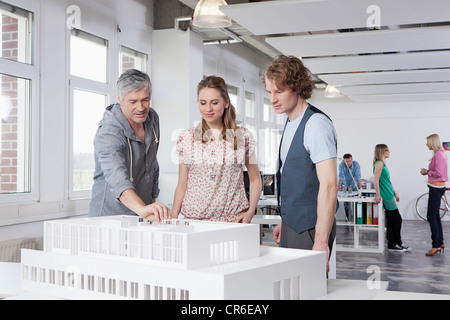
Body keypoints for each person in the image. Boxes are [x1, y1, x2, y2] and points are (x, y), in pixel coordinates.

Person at [265, 55, 337, 271]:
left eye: (279, 91)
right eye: (269, 92)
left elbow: (329, 185)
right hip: (293, 225)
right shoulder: (290, 121)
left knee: (307, 288)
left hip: (311, 227)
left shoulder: (316, 124)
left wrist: (321, 241)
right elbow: (296, 178)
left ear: (297, 87)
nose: (273, 99)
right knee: (291, 286)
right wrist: (285, 222)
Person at [171, 76, 261, 223]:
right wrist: (173, 218)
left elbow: (255, 178)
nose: (208, 109)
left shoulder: (242, 136)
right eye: (203, 103)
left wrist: (250, 212)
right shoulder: (187, 137)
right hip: (193, 221)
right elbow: (182, 184)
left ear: (226, 103)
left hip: (232, 220)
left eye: (214, 103)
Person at [88, 69, 170, 222]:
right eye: (133, 102)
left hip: (141, 214)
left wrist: (152, 200)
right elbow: (116, 176)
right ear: (120, 99)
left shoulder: (152, 119)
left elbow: (152, 163)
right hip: (109, 218)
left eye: (145, 100)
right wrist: (142, 209)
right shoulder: (108, 132)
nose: (141, 108)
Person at [373, 144, 410, 252]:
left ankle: (393, 244)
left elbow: (387, 182)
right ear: (381, 152)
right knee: (397, 220)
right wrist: (378, 195)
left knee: (391, 221)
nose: (389, 152)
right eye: (387, 150)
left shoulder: (383, 164)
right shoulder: (379, 164)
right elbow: (376, 180)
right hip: (386, 196)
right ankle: (397, 242)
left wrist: (395, 193)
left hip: (390, 195)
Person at [420, 134, 448, 256]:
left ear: (432, 142)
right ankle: (439, 243)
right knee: (435, 215)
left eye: (428, 142)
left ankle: (436, 245)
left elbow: (439, 173)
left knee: (431, 215)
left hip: (436, 188)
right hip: (437, 187)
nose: (427, 145)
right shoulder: (439, 154)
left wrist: (426, 172)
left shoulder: (439, 155)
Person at [338, 153, 362, 221]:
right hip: (344, 186)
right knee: (347, 204)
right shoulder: (341, 165)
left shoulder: (356, 164)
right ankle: (350, 219)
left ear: (352, 160)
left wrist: (360, 189)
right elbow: (341, 176)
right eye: (346, 161)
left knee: (357, 203)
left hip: (354, 186)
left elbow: (358, 177)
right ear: (344, 161)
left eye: (350, 161)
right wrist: (338, 188)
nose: (348, 163)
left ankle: (357, 219)